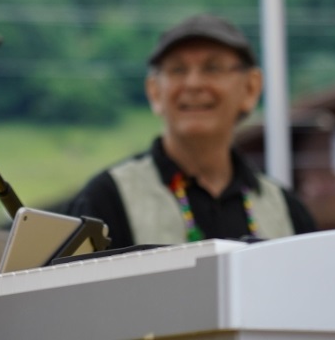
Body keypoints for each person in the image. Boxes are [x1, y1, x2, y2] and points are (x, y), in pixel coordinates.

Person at [66, 14, 316, 249]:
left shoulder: (286, 210)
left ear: (251, 88)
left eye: (213, 68)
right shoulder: (107, 200)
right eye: (178, 70)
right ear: (154, 91)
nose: (194, 84)